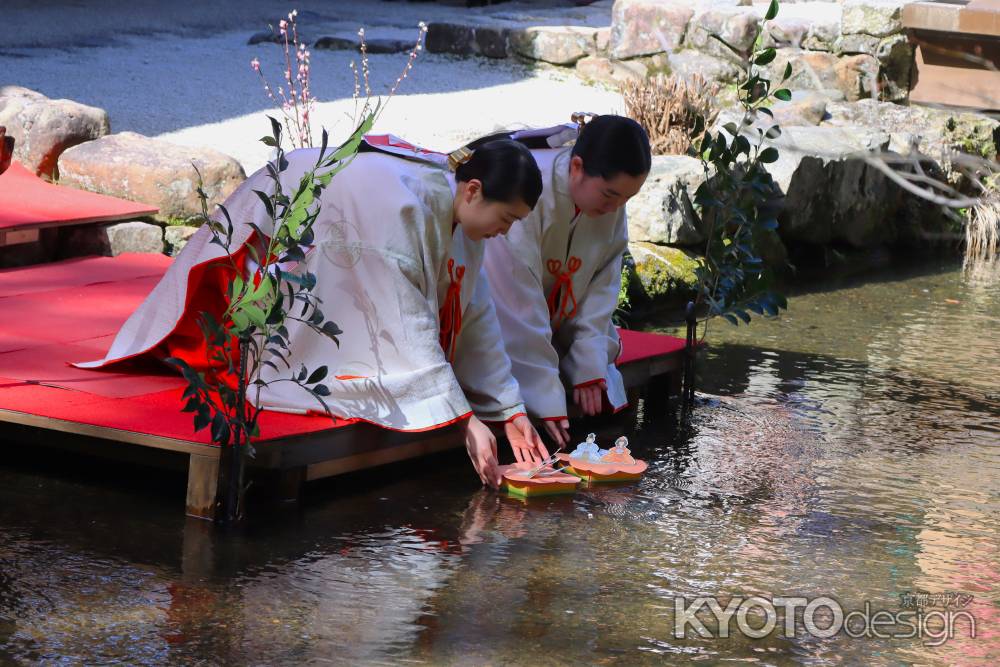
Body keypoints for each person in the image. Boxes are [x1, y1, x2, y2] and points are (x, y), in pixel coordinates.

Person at [78, 137, 550, 488]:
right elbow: (400, 320)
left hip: (338, 199)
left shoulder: (453, 204)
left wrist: (506, 407)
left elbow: (476, 310)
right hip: (299, 199)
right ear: (471, 191)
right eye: (506, 219)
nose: (505, 233)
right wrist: (464, 419)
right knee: (234, 334)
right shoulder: (403, 208)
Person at [481, 115, 651, 447]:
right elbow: (516, 298)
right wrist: (547, 399)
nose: (616, 208)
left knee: (602, 348)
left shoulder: (611, 202)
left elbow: (602, 287)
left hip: (556, 321)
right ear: (576, 167)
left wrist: (589, 363)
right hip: (505, 315)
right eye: (609, 195)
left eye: (626, 200)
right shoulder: (529, 183)